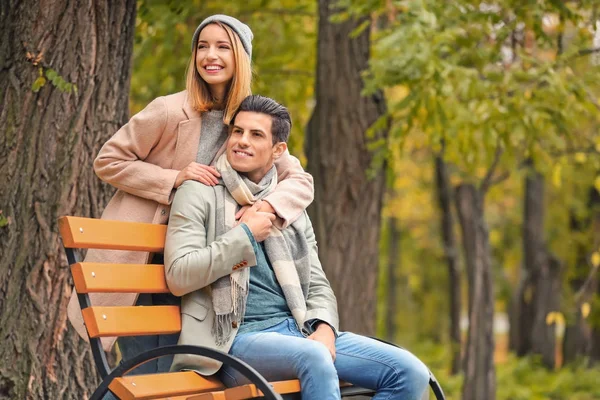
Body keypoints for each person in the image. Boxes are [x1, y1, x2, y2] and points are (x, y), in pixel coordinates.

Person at [66, 15, 314, 376]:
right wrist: (172, 178)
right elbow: (108, 160)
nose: (210, 55)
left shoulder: (248, 118)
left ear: (241, 57)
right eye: (202, 46)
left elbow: (300, 181)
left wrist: (268, 206)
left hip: (200, 270)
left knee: (177, 378)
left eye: (222, 46)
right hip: (147, 268)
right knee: (146, 375)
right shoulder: (169, 110)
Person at [164, 95, 430, 400]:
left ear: (278, 150)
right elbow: (178, 274)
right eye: (237, 132)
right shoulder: (199, 192)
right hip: (231, 340)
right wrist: (245, 236)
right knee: (313, 358)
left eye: (256, 134)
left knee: (409, 373)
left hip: (299, 328)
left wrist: (326, 330)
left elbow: (317, 283)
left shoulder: (284, 204)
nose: (241, 141)